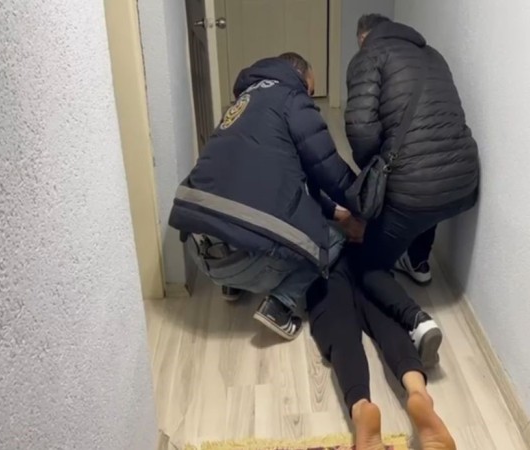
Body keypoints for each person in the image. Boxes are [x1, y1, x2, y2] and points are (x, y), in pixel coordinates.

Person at [169, 52, 362, 340]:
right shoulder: (293, 100)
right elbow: (329, 170)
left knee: (242, 196)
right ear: (300, 77)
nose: (310, 97)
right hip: (248, 262)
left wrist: (335, 211)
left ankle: (231, 285)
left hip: (199, 251)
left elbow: (298, 185)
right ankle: (279, 306)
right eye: (310, 90)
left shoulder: (242, 104)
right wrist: (364, 205)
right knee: (331, 239)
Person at [344, 14, 480, 365]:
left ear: (363, 37)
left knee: (366, 264)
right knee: (426, 187)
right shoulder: (434, 56)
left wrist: (374, 168)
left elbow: (360, 129)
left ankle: (417, 322)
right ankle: (419, 261)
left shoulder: (369, 56)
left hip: (415, 191)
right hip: (464, 179)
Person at [307, 253, 456, 450]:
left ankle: (361, 408)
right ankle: (419, 393)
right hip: (365, 259)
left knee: (340, 333)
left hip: (324, 265)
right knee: (386, 319)